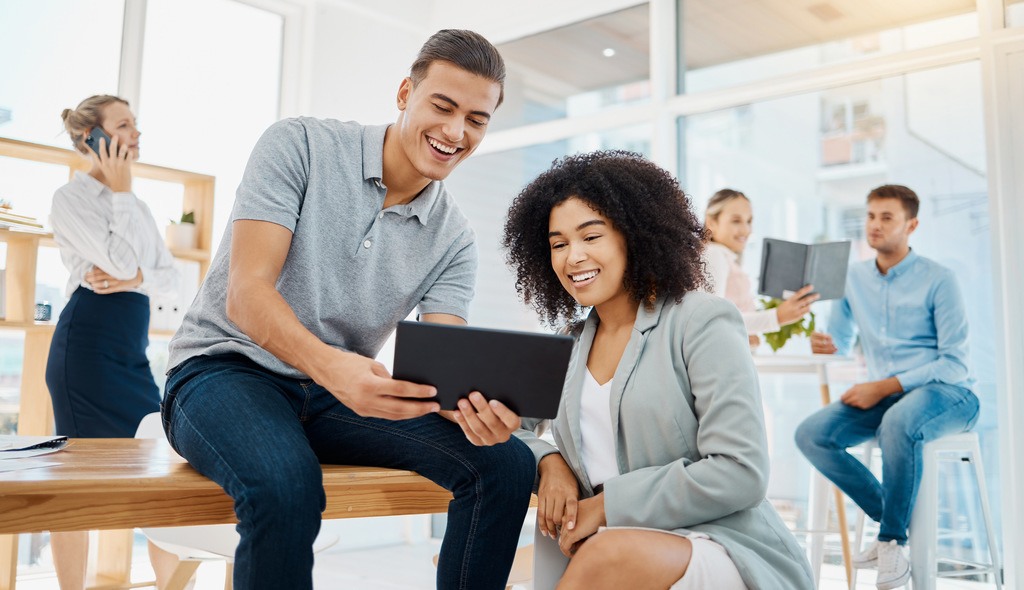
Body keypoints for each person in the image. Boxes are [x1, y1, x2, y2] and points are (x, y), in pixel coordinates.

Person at [161, 30, 535, 590]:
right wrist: (332, 367)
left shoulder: (453, 236)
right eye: (443, 106)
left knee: (507, 465)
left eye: (477, 120)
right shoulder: (299, 145)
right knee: (286, 483)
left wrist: (473, 410)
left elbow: (446, 366)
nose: (456, 132)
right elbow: (247, 293)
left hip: (335, 398)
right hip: (222, 371)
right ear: (406, 92)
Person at [503, 151, 814, 590]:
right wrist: (549, 461)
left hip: (721, 543)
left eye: (591, 237)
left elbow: (741, 470)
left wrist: (608, 506)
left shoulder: (702, 320)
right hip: (610, 546)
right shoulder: (569, 345)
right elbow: (509, 427)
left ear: (634, 235)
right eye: (558, 244)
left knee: (605, 557)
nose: (574, 257)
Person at [794, 184, 979, 590]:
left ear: (911, 225)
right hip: (888, 397)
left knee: (898, 421)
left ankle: (892, 541)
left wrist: (882, 386)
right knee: (811, 434)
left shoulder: (939, 279)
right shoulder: (853, 277)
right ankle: (894, 519)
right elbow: (840, 340)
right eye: (870, 216)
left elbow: (954, 363)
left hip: (949, 394)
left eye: (887, 218)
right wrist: (827, 344)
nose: (874, 226)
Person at [47, 95, 182, 589]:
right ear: (93, 139)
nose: (137, 135)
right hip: (85, 351)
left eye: (136, 124)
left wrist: (136, 275)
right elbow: (125, 267)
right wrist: (121, 196)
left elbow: (170, 280)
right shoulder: (71, 200)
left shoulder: (139, 207)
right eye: (124, 125)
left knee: (161, 471)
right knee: (76, 489)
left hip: (130, 352)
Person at [702, 188, 816, 347]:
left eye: (749, 221)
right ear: (711, 222)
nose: (746, 230)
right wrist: (776, 317)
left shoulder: (726, 257)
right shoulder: (714, 254)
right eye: (736, 220)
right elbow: (713, 318)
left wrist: (746, 333)